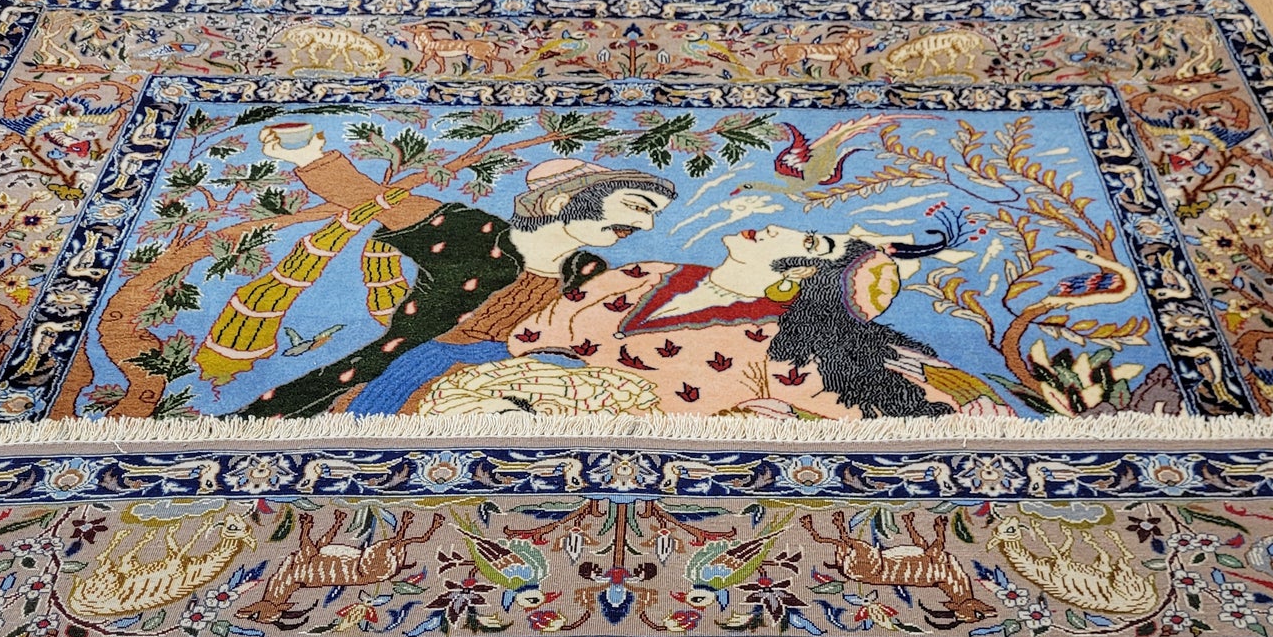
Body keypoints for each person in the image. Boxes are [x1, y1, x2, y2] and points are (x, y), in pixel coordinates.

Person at [240, 137, 676, 417]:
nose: (646, 225)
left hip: (520, 381)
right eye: (637, 206)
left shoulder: (588, 271)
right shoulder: (469, 232)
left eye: (653, 215)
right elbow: (373, 199)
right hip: (413, 364)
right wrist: (306, 154)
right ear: (560, 201)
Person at [408, 223, 990, 419]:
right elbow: (530, 336)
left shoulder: (778, 345)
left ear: (801, 273)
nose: (781, 227)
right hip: (491, 393)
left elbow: (862, 404)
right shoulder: (648, 271)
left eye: (807, 240)